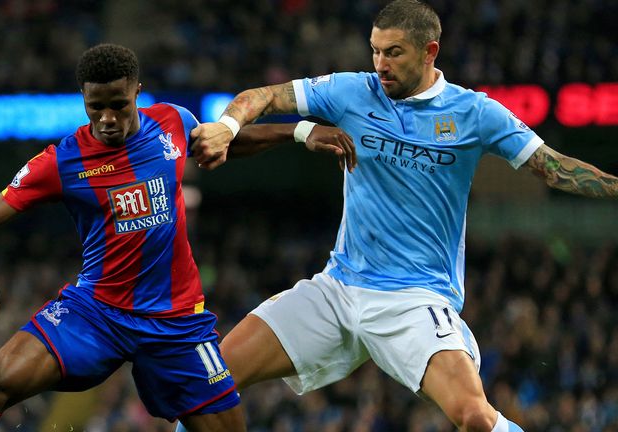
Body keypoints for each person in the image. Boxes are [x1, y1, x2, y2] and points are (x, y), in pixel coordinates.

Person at [182, 1, 618, 431]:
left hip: (414, 300)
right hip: (338, 288)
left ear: (430, 52)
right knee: (208, 381)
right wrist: (228, 126)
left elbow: (555, 167)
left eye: (393, 53)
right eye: (375, 50)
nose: (380, 64)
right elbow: (264, 96)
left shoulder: (475, 113)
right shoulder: (352, 90)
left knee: (476, 418)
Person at [0, 43, 355, 432]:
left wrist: (298, 132)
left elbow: (224, 142)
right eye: (95, 107)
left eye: (118, 105)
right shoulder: (62, 161)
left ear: (137, 92)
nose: (107, 118)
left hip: (177, 324)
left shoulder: (171, 122)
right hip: (97, 313)